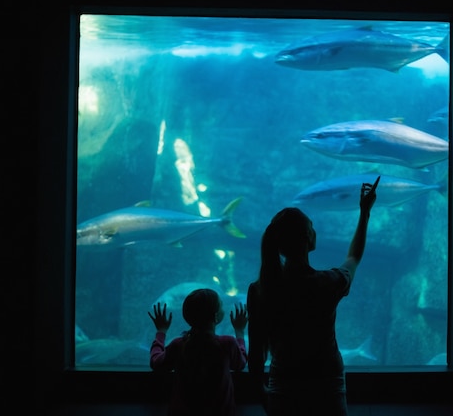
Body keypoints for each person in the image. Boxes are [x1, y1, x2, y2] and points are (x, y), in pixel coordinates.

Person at [247, 176, 380, 416]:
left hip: (282, 389)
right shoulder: (327, 283)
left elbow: (256, 354)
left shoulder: (259, 290)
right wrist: (364, 213)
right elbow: (353, 258)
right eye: (312, 227)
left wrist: (263, 393)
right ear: (308, 239)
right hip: (326, 388)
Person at [148, 288, 248, 416]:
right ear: (216, 316)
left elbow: (156, 363)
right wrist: (239, 331)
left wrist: (161, 332)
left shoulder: (179, 345)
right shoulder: (227, 344)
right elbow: (240, 363)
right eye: (222, 304)